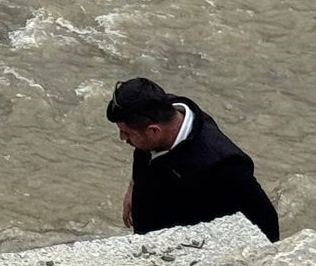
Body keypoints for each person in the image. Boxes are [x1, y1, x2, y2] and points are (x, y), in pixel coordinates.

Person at [107, 77, 279, 241]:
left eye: (127, 133)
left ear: (154, 131)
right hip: (149, 232)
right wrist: (134, 185)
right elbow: (143, 149)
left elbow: (266, 224)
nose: (122, 138)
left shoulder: (224, 166)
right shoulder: (161, 111)